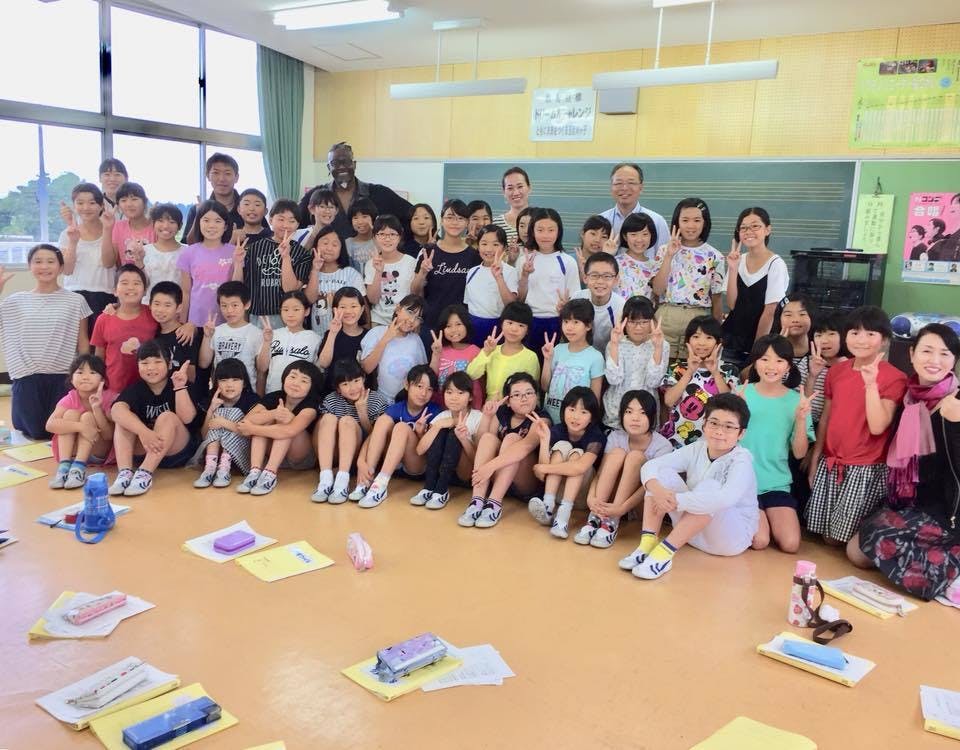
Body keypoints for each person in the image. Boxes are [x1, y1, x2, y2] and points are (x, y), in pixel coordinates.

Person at [852, 324, 960, 600]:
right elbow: (878, 429)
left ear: (954, 361)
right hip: (912, 501)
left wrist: (956, 425)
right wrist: (870, 385)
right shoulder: (911, 398)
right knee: (857, 550)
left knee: (871, 544)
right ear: (911, 354)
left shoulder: (956, 402)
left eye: (944, 354)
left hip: (946, 510)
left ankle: (947, 572)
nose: (934, 360)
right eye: (926, 351)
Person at [620, 393, 758, 579]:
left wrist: (676, 500)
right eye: (714, 423)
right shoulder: (697, 448)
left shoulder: (741, 460)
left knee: (710, 488)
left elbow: (725, 499)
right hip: (691, 534)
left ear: (741, 433)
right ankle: (647, 545)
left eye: (729, 427)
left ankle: (663, 554)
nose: (719, 431)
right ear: (704, 424)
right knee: (660, 475)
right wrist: (659, 492)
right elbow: (651, 466)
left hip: (729, 540)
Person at [805, 306, 908, 545]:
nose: (861, 340)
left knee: (836, 540)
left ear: (884, 340)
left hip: (865, 467)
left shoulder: (895, 377)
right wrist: (816, 459)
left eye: (870, 334)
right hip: (832, 462)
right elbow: (826, 419)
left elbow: (878, 427)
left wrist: (871, 383)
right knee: (825, 538)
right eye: (854, 333)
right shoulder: (837, 371)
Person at [0, 245, 91, 439]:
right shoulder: (15, 301)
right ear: (30, 266)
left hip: (62, 376)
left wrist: (84, 374)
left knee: (57, 430)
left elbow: (82, 340)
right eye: (38, 261)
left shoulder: (76, 300)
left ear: (60, 267)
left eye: (50, 261)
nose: (44, 266)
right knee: (34, 431)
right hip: (26, 376)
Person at [739, 335, 814, 553]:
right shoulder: (741, 393)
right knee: (759, 540)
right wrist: (737, 413)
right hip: (741, 482)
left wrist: (801, 419)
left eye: (779, 360)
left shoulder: (797, 401)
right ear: (755, 363)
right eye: (764, 359)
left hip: (776, 483)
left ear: (788, 366)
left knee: (790, 544)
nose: (771, 366)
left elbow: (799, 453)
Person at [579, 390, 673, 548]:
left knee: (635, 457)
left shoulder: (663, 446)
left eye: (642, 413)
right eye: (629, 412)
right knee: (617, 453)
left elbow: (650, 488)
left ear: (652, 417)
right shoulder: (615, 437)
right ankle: (594, 519)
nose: (635, 418)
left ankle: (611, 523)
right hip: (609, 502)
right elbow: (600, 473)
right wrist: (591, 498)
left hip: (641, 505)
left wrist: (621, 508)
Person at [108, 341, 198, 497]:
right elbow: (116, 411)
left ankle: (145, 473)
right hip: (147, 447)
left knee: (167, 417)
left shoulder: (180, 382)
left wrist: (179, 387)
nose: (151, 367)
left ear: (169, 364)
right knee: (124, 420)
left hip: (176, 451)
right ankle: (124, 474)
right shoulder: (136, 389)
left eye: (157, 362)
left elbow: (187, 418)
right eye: (145, 363)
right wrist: (144, 432)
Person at [462, 372, 550, 529]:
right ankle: (476, 502)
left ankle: (494, 504)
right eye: (517, 395)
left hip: (524, 482)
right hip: (497, 477)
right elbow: (481, 445)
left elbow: (525, 447)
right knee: (488, 438)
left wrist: (489, 467)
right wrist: (487, 417)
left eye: (529, 393)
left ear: (536, 396)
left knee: (512, 439)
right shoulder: (502, 413)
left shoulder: (541, 418)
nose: (524, 398)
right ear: (508, 401)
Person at [350, 364, 441, 508]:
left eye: (429, 389)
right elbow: (373, 435)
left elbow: (433, 452)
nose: (423, 393)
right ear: (407, 385)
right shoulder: (396, 408)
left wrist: (420, 433)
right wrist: (361, 461)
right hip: (395, 464)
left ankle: (380, 485)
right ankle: (367, 479)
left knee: (401, 427)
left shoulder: (435, 412)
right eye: (419, 386)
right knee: (383, 421)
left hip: (417, 465)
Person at [527, 386, 606, 539]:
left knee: (577, 455)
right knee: (562, 445)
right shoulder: (557, 430)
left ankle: (563, 517)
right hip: (557, 492)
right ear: (563, 410)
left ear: (592, 417)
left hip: (581, 497)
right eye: (572, 409)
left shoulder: (596, 436)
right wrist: (544, 440)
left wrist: (544, 468)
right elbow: (541, 474)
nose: (576, 417)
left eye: (583, 412)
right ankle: (548, 506)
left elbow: (579, 468)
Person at [651, 199, 725, 360]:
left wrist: (717, 333)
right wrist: (669, 256)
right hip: (666, 317)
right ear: (677, 222)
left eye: (697, 220)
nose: (691, 225)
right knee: (660, 365)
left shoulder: (715, 256)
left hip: (698, 321)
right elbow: (657, 290)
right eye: (685, 220)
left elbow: (717, 298)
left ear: (705, 223)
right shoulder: (664, 250)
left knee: (692, 367)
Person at [235, 361, 323, 496]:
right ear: (284, 378)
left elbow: (290, 431)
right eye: (292, 377)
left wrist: (253, 429)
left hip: (300, 458)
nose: (296, 383)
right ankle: (254, 472)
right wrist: (273, 413)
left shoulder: (311, 404)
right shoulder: (274, 396)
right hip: (272, 453)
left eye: (304, 381)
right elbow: (246, 421)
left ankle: (270, 474)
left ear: (312, 387)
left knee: (286, 422)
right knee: (265, 419)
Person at [298, 141, 413, 242]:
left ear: (354, 164)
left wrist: (402, 244)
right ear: (329, 167)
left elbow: (412, 215)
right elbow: (293, 220)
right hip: (327, 258)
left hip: (371, 258)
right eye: (335, 163)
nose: (341, 167)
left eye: (346, 162)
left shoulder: (379, 193)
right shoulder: (316, 195)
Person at [312, 359, 389, 504]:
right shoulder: (331, 400)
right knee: (327, 418)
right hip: (335, 453)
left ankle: (342, 482)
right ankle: (325, 480)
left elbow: (376, 438)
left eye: (356, 381)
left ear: (363, 379)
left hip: (362, 455)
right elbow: (321, 432)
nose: (352, 388)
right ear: (338, 388)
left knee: (347, 421)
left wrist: (362, 412)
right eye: (345, 384)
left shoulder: (376, 400)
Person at [722, 207, 790, 368]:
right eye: (743, 228)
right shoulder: (737, 259)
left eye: (755, 226)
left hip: (761, 340)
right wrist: (733, 269)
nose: (749, 231)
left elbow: (770, 311)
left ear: (767, 230)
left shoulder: (776, 264)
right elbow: (732, 305)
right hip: (732, 337)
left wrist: (757, 351)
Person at [659, 315, 738, 450]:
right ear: (687, 341)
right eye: (696, 337)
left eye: (709, 338)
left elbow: (730, 406)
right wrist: (689, 371)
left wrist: (715, 372)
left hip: (714, 443)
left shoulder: (729, 370)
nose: (702, 343)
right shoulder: (676, 368)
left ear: (718, 342)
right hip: (676, 441)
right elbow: (669, 401)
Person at [232, 199, 312, 327]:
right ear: (270, 220)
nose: (286, 225)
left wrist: (286, 257)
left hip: (287, 317)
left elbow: (290, 290)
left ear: (297, 225)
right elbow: (238, 286)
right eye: (281, 219)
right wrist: (237, 263)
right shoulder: (255, 248)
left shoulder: (302, 254)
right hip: (256, 315)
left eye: (292, 221)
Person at [411, 371, 483, 509]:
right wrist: (437, 426)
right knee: (442, 431)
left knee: (454, 433)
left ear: (470, 397)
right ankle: (429, 487)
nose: (454, 397)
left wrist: (463, 438)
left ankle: (441, 490)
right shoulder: (442, 416)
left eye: (460, 393)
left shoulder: (478, 418)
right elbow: (420, 450)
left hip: (466, 473)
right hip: (440, 469)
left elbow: (477, 459)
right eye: (449, 392)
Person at [46, 354, 117, 490]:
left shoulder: (110, 397)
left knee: (88, 416)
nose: (85, 377)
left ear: (102, 379)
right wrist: (82, 427)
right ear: (71, 379)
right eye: (79, 372)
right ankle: (64, 468)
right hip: (72, 452)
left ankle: (78, 469)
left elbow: (109, 436)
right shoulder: (71, 397)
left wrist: (97, 408)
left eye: (92, 373)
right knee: (70, 414)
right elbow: (50, 425)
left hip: (98, 451)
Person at [412, 199, 481, 330]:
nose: (455, 222)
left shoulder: (474, 256)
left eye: (460, 218)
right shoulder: (428, 252)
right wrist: (422, 273)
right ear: (442, 221)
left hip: (461, 326)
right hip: (431, 322)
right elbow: (414, 292)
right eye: (449, 217)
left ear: (467, 222)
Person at [192, 357, 260, 489]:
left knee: (232, 415)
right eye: (223, 380)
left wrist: (223, 422)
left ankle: (224, 470)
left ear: (244, 383)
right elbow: (205, 436)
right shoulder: (211, 399)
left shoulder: (252, 400)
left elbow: (251, 434)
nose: (229, 385)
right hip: (213, 454)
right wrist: (211, 410)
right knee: (218, 415)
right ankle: (210, 470)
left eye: (235, 380)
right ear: (216, 383)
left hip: (242, 453)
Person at [603, 296, 669, 429]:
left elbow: (653, 382)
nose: (638, 327)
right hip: (616, 412)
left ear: (652, 321)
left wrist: (657, 348)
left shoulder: (662, 345)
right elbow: (613, 379)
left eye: (644, 322)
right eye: (632, 322)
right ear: (624, 321)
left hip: (646, 413)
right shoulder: (614, 343)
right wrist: (615, 345)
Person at [519, 208, 581, 348]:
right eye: (540, 230)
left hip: (558, 321)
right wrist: (525, 275)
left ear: (559, 232)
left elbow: (575, 298)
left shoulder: (567, 261)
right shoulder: (524, 260)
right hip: (529, 321)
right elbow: (519, 298)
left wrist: (565, 307)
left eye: (551, 230)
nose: (545, 235)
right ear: (532, 231)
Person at [91, 265, 158, 392]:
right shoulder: (103, 319)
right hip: (113, 389)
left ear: (145, 291)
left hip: (149, 389)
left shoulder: (153, 315)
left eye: (136, 283)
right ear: (115, 290)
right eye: (124, 283)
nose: (131, 287)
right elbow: (99, 357)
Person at [181, 153, 268, 243]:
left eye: (227, 173)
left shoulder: (249, 209)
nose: (222, 179)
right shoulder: (198, 209)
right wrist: (199, 215)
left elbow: (269, 240)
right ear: (208, 176)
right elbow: (189, 245)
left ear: (236, 177)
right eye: (216, 173)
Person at [541, 299, 604, 423]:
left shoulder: (596, 357)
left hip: (576, 424)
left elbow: (594, 400)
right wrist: (547, 360)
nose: (569, 327)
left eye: (576, 322)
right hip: (550, 419)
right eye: (566, 321)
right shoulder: (557, 349)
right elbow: (544, 387)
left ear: (588, 326)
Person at [60, 182, 112, 333]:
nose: (86, 207)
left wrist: (108, 230)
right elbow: (67, 270)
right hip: (74, 295)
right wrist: (73, 241)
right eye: (80, 203)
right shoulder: (67, 234)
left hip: (105, 296)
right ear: (74, 206)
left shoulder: (111, 229)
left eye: (92, 203)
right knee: (75, 344)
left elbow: (109, 263)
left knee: (100, 344)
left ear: (101, 206)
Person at [176, 200, 236, 327]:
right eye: (206, 220)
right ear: (198, 223)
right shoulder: (188, 253)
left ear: (225, 226)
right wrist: (183, 322)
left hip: (227, 321)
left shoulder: (234, 252)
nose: (212, 225)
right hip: (196, 322)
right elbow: (186, 292)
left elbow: (238, 287)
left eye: (218, 221)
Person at [360, 294, 428, 403]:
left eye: (418, 318)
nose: (412, 320)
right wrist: (386, 339)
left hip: (408, 401)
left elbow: (423, 373)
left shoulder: (416, 340)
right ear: (398, 309)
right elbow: (367, 368)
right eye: (410, 312)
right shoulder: (376, 333)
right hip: (381, 400)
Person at [466, 301, 540, 401]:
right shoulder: (491, 350)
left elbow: (533, 391)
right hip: (490, 406)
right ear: (502, 324)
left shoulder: (530, 357)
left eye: (521, 325)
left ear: (527, 331)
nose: (514, 329)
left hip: (515, 407)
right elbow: (471, 374)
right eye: (510, 323)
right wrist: (486, 352)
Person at [304, 225, 365, 337]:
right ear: (316, 246)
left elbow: (363, 306)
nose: (329, 248)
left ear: (341, 248)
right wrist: (315, 270)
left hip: (346, 336)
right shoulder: (308, 272)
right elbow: (309, 300)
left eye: (335, 245)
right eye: (325, 243)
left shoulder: (351, 274)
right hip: (316, 335)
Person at [464, 225, 519, 346]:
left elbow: (511, 305)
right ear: (478, 246)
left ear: (504, 248)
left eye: (495, 244)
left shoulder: (510, 271)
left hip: (498, 328)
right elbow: (468, 303)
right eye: (484, 244)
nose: (489, 249)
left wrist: (499, 278)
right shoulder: (472, 271)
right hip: (473, 327)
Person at [198, 281, 261, 387]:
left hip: (247, 391)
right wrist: (207, 337)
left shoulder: (256, 333)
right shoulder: (215, 331)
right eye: (224, 306)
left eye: (235, 305)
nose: (229, 310)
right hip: (220, 390)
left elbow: (261, 370)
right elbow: (203, 363)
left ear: (247, 304)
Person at [258, 291, 321, 395]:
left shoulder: (315, 339)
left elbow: (318, 372)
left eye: (296, 309)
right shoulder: (273, 334)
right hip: (273, 393)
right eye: (285, 309)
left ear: (306, 311)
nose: (290, 314)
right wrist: (267, 342)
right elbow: (261, 368)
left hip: (300, 396)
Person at [600, 163, 670, 248]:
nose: (624, 188)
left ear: (641, 187)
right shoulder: (601, 221)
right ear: (611, 187)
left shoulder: (657, 222)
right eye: (618, 183)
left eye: (631, 183)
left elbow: (665, 254)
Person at [365, 214, 418, 326]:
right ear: (374, 237)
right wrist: (378, 271)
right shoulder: (371, 264)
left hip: (405, 320)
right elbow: (373, 300)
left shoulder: (410, 262)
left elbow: (416, 295)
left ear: (399, 237)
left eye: (392, 234)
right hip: (379, 320)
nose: (387, 239)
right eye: (382, 234)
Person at [428, 304, 483, 407]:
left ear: (466, 325)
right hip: (442, 407)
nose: (454, 330)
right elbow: (431, 377)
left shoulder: (475, 351)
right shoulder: (440, 350)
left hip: (468, 408)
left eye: (458, 324)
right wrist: (436, 354)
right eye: (448, 326)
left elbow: (482, 383)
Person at [317, 287, 368, 394]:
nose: (348, 311)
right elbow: (323, 363)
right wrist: (333, 333)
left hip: (360, 393)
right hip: (333, 393)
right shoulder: (330, 333)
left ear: (362, 309)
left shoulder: (369, 336)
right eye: (343, 307)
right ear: (335, 310)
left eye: (353, 306)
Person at [572, 252, 624, 354]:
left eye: (607, 276)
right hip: (580, 355)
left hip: (610, 356)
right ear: (585, 278)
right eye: (594, 275)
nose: (600, 281)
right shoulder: (577, 298)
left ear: (616, 280)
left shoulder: (621, 306)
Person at [150, 282, 202, 381]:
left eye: (167, 305)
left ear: (179, 308)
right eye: (157, 304)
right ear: (150, 305)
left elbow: (191, 377)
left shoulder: (186, 335)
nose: (160, 310)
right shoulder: (152, 333)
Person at [100, 182, 154, 269]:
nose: (129, 204)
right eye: (123, 200)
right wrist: (107, 228)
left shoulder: (156, 228)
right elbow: (108, 263)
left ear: (144, 202)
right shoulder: (119, 227)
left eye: (134, 199)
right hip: (128, 277)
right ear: (118, 205)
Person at [140, 204, 184, 302]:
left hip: (177, 306)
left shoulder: (187, 251)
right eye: (160, 221)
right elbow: (141, 284)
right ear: (153, 224)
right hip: (149, 305)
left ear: (180, 226)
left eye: (172, 222)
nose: (166, 226)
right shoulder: (144, 251)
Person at [613, 212, 659, 302]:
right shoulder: (615, 263)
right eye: (633, 234)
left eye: (645, 234)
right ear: (625, 236)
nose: (639, 240)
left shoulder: (656, 266)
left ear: (651, 236)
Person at [492, 167, 532, 247]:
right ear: (504, 192)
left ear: (529, 188)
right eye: (510, 188)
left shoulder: (542, 219)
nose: (516, 193)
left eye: (520, 186)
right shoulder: (495, 224)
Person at [574, 215, 614, 284]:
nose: (597, 240)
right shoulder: (567, 260)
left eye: (604, 237)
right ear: (582, 234)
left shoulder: (611, 265)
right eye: (593, 234)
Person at [346, 198, 379, 273]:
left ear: (373, 218)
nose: (360, 222)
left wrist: (376, 233)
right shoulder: (347, 243)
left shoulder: (381, 241)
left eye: (364, 216)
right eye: (355, 218)